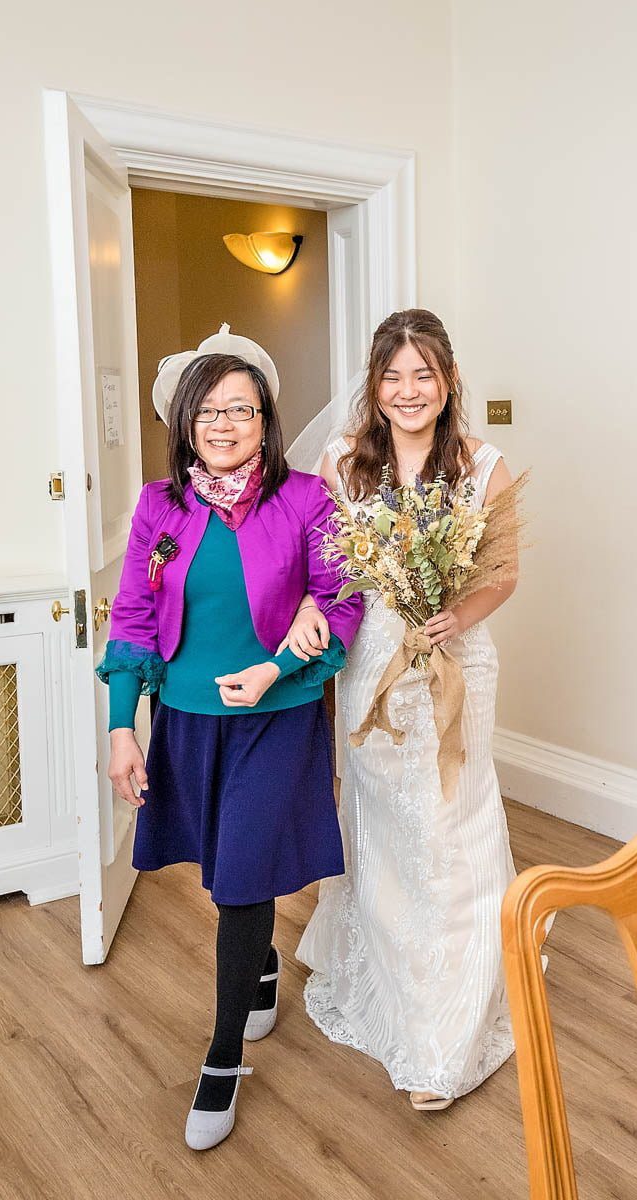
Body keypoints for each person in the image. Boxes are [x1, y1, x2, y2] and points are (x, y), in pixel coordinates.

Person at [96, 332, 361, 1151]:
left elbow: (340, 605)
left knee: (243, 876)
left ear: (265, 420)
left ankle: (219, 1062)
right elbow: (136, 621)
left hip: (277, 719)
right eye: (208, 409)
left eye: (240, 408)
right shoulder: (157, 507)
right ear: (184, 421)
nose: (224, 422)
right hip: (187, 718)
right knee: (223, 873)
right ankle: (265, 967)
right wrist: (121, 727)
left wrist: (276, 670)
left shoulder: (309, 499)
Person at [294, 309, 520, 1110]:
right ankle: (392, 976)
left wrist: (459, 615)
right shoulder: (341, 465)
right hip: (373, 665)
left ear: (448, 381)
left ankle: (447, 1034)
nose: (409, 390)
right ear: (376, 386)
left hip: (457, 661)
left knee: (453, 819)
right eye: (394, 376)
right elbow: (318, 569)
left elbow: (503, 574)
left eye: (424, 374)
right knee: (385, 821)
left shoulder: (483, 467)